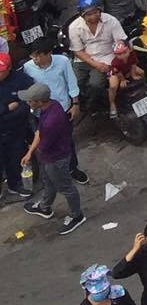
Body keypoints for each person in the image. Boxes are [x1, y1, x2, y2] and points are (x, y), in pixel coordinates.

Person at [19, 83, 84, 233]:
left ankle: (77, 216)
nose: (28, 103)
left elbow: (42, 141)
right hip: (50, 157)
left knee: (66, 187)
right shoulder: (52, 105)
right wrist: (30, 153)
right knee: (48, 181)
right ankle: (44, 207)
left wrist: (32, 152)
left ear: (39, 101)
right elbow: (39, 133)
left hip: (56, 158)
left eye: (30, 101)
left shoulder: (51, 122)